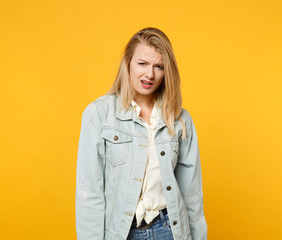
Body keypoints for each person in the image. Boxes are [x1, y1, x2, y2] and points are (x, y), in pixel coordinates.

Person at [75, 27, 207, 240]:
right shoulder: (99, 114)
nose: (150, 74)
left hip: (170, 231)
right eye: (142, 64)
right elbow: (89, 193)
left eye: (159, 66)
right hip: (121, 233)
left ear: (167, 72)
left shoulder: (180, 119)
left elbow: (191, 195)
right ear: (128, 63)